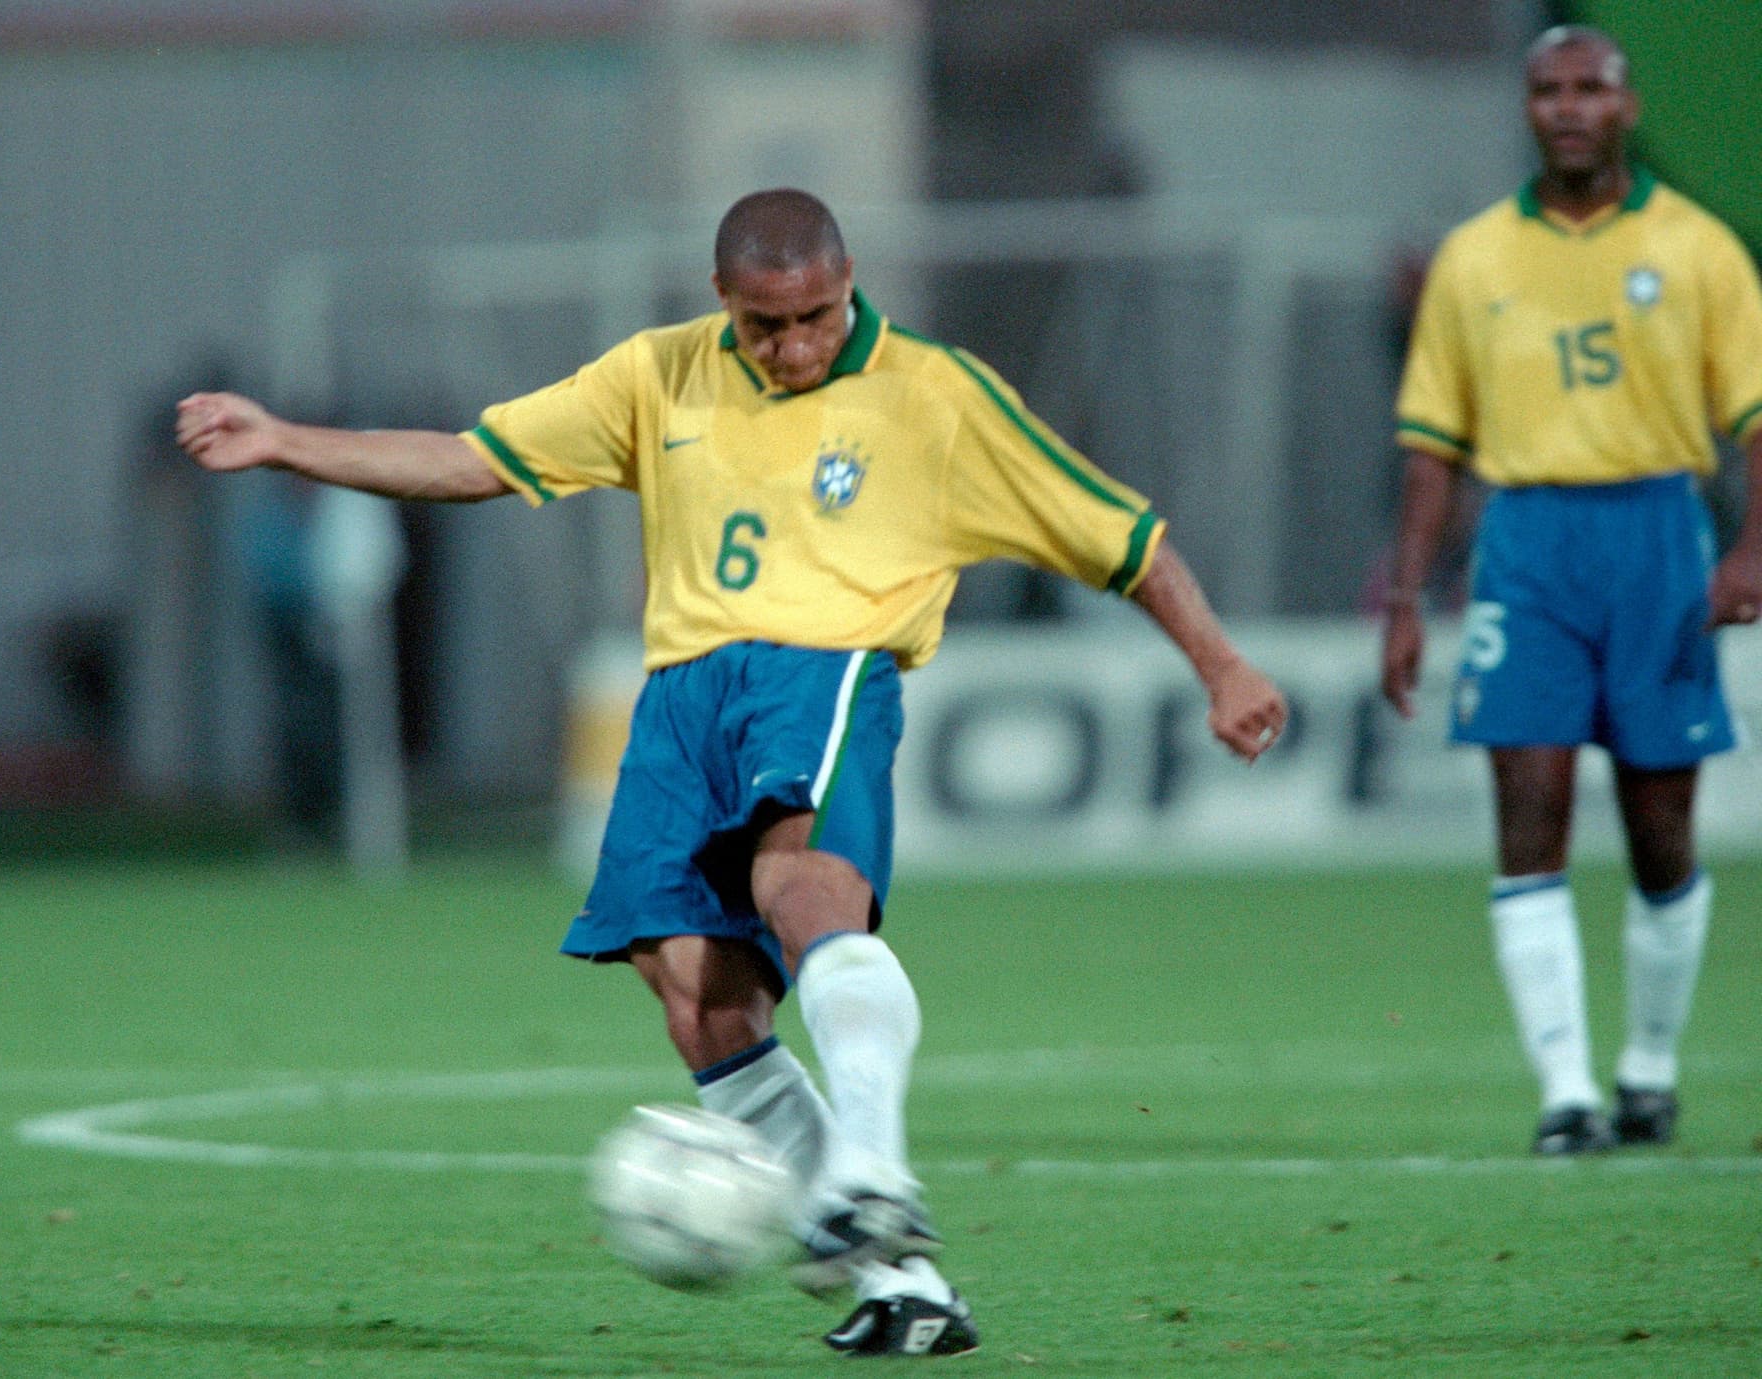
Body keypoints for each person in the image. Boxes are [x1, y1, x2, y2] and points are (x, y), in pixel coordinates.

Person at [179, 188, 1289, 1356]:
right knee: (697, 997)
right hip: (679, 703)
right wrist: (286, 440)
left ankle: (870, 1167)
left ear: (849, 279)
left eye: (818, 315)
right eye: (769, 326)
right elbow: (471, 458)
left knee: (802, 891)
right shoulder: (657, 375)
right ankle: (899, 1274)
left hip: (822, 671)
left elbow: (1121, 534)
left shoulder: (934, 392)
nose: (798, 345)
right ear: (723, 302)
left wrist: (1220, 664)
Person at [1381, 28, 1762, 1156]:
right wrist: (1406, 596)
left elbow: (1753, 419)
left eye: (1589, 87)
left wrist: (1747, 554)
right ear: (1529, 109)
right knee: (1528, 813)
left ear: (1626, 103)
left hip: (1657, 532)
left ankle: (1647, 1067)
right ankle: (1566, 1093)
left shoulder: (1697, 247)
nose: (1568, 107)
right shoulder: (1476, 257)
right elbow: (1430, 446)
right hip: (1529, 542)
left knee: (1660, 831)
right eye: (1547, 90)